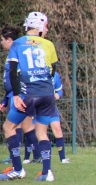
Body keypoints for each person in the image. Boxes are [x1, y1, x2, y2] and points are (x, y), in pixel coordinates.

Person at [0, 12, 58, 181]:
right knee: (42, 132)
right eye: (46, 26)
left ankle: (18, 169)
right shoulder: (48, 44)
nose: (46, 29)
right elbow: (53, 70)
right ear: (39, 27)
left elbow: (12, 70)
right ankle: (47, 173)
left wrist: (16, 95)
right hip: (47, 94)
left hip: (29, 94)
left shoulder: (17, 44)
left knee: (9, 127)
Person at [0, 26, 41, 165]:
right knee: (26, 126)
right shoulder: (14, 53)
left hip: (19, 95)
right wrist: (6, 98)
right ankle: (37, 155)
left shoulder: (17, 53)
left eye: (2, 40)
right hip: (15, 95)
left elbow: (17, 76)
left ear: (9, 40)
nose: (1, 43)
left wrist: (13, 96)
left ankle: (15, 158)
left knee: (13, 126)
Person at [24, 72, 70, 164]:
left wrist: (57, 95)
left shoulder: (55, 75)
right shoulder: (33, 72)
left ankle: (63, 158)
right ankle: (27, 157)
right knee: (31, 130)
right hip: (35, 106)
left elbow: (59, 91)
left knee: (57, 129)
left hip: (50, 107)